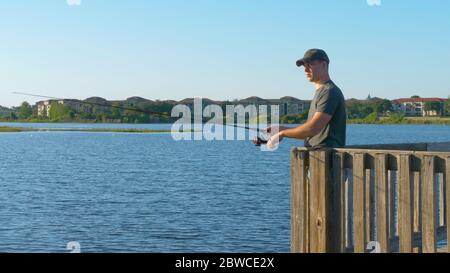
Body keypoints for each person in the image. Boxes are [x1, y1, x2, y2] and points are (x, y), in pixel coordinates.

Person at [266, 48, 346, 149]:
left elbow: (313, 128)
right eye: (304, 66)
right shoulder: (323, 92)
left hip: (328, 159)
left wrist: (282, 133)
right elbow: (309, 129)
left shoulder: (329, 91)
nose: (305, 69)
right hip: (320, 157)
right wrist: (281, 129)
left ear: (324, 65)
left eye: (310, 65)